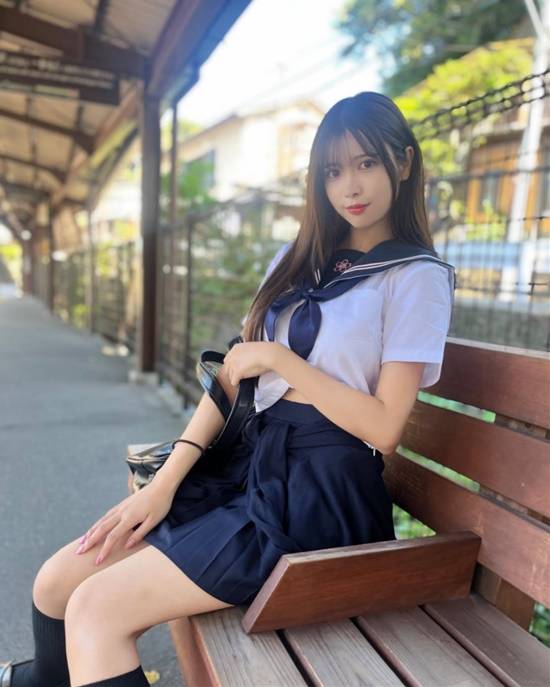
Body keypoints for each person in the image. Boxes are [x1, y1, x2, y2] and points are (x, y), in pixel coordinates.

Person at [1, 91, 455, 687]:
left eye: (366, 163)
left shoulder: (416, 278)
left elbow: (386, 428)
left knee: (96, 610)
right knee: (58, 582)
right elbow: (230, 380)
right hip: (250, 467)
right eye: (332, 170)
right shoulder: (294, 261)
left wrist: (282, 360)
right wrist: (165, 484)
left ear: (403, 162)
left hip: (320, 492)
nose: (350, 186)